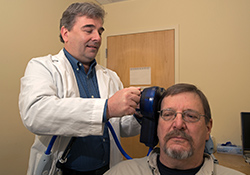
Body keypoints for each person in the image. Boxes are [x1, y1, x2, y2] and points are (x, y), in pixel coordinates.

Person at [19, 2, 141, 175]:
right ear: (65, 33)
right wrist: (106, 108)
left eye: (100, 31)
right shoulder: (42, 66)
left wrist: (138, 115)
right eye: (89, 30)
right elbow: (35, 113)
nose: (97, 37)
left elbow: (120, 127)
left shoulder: (111, 76)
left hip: (106, 169)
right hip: (63, 170)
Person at [104, 83, 245, 175]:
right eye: (168, 114)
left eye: (190, 116)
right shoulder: (121, 172)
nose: (178, 124)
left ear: (208, 128)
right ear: (157, 126)